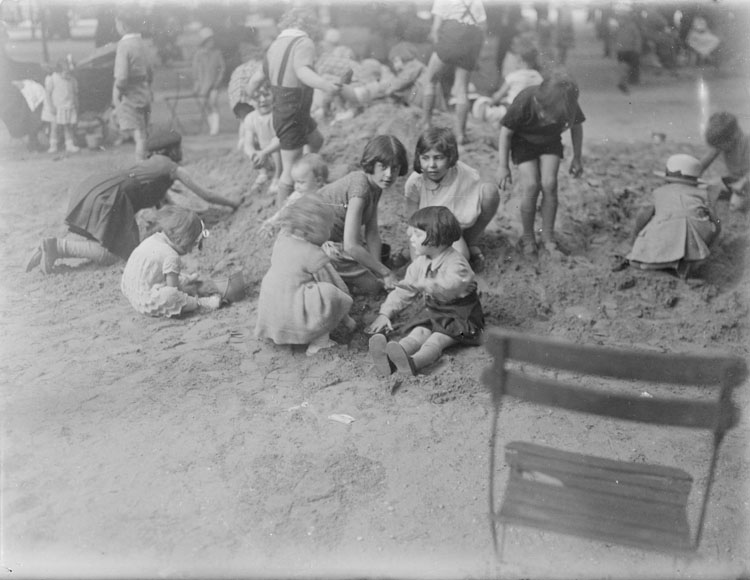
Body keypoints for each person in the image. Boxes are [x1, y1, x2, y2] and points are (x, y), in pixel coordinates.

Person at [25, 129, 239, 275]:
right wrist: (235, 204)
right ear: (172, 150)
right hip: (113, 198)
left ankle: (51, 248)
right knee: (118, 256)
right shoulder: (172, 168)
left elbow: (165, 207)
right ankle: (57, 247)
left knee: (109, 242)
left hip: (98, 186)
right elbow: (206, 195)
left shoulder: (150, 167)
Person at [366, 206, 484, 376]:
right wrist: (386, 313)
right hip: (434, 310)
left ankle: (414, 363)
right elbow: (403, 291)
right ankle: (390, 359)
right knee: (418, 333)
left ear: (438, 239)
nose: (411, 239)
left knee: (437, 340)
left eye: (418, 235)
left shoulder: (457, 262)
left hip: (460, 315)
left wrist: (426, 284)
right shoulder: (419, 264)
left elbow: (453, 285)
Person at [245, 6, 339, 209]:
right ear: (310, 26)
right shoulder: (304, 42)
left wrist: (251, 93)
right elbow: (302, 71)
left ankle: (308, 176)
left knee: (316, 140)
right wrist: (325, 85)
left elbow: (257, 78)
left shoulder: (275, 45)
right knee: (289, 168)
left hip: (289, 109)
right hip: (294, 109)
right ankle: (281, 213)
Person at [496, 71, 584, 259]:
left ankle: (548, 237)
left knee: (550, 183)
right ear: (539, 102)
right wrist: (503, 166)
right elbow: (505, 134)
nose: (551, 120)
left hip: (550, 141)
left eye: (557, 117)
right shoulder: (526, 99)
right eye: (547, 115)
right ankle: (528, 238)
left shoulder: (567, 100)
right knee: (531, 185)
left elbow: (577, 127)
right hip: (523, 142)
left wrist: (577, 157)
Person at [255, 194, 356, 356]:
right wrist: (346, 313)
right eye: (327, 228)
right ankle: (319, 343)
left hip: (271, 311)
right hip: (293, 315)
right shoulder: (313, 254)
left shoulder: (283, 238)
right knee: (328, 294)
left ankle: (278, 334)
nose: (330, 232)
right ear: (310, 231)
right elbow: (333, 282)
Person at [317, 134, 409, 295]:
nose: (389, 174)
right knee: (373, 288)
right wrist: (385, 273)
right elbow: (351, 245)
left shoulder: (375, 186)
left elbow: (372, 232)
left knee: (375, 269)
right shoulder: (360, 188)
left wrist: (379, 270)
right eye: (383, 166)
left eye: (394, 168)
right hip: (317, 246)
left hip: (335, 241)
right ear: (371, 164)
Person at [405, 127, 500, 272]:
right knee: (420, 268)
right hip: (424, 231)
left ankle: (470, 241)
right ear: (419, 158)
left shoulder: (465, 174)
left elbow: (466, 210)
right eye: (425, 158)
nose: (432, 165)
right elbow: (412, 220)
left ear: (450, 157)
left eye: (438, 157)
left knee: (460, 258)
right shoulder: (415, 182)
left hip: (449, 230)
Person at [626, 154, 721, 279]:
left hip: (667, 232)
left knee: (635, 259)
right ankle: (687, 262)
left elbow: (644, 213)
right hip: (696, 236)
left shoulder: (659, 192)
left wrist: (636, 234)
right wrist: (711, 240)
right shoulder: (703, 194)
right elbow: (716, 221)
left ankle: (657, 264)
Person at [121, 206, 222, 317]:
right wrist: (187, 293)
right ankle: (201, 303)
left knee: (167, 276)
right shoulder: (171, 256)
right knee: (171, 296)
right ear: (183, 241)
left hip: (131, 289)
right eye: (192, 245)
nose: (190, 250)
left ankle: (186, 279)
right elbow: (174, 290)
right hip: (145, 302)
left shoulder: (154, 238)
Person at [422, 0, 487, 144]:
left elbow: (436, 29)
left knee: (431, 80)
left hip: (451, 37)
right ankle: (460, 135)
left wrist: (439, 50)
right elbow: (483, 26)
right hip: (471, 41)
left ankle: (426, 123)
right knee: (462, 90)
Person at [113, 8, 153, 161]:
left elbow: (122, 76)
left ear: (123, 25)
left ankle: (141, 164)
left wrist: (119, 90)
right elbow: (150, 70)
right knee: (143, 130)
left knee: (139, 134)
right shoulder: (143, 43)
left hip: (129, 93)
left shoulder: (124, 46)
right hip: (144, 90)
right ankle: (146, 160)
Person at [259, 153, 329, 237]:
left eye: (301, 182)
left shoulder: (327, 192)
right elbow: (283, 211)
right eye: (295, 182)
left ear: (318, 181)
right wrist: (271, 222)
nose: (296, 186)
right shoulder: (297, 196)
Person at [472, 44, 542, 127]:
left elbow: (498, 96)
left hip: (510, 112)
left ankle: (483, 123)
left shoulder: (514, 76)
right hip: (529, 114)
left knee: (481, 102)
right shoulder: (539, 77)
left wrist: (490, 103)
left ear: (520, 61)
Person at [698, 111, 749, 212]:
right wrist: (691, 174)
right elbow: (702, 164)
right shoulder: (722, 145)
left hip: (746, 183)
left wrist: (743, 181)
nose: (718, 148)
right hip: (735, 182)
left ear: (733, 136)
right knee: (705, 189)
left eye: (719, 145)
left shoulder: (746, 143)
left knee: (737, 205)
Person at [238, 80, 282, 195]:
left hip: (279, 150)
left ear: (274, 96)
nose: (262, 100)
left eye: (266, 95)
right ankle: (263, 173)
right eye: (257, 97)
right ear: (250, 101)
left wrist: (265, 152)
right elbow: (248, 142)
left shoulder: (277, 114)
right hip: (264, 153)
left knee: (275, 148)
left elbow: (280, 140)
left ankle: (278, 176)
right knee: (247, 146)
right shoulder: (251, 117)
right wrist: (253, 154)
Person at [192, 27, 226, 136]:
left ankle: (215, 129)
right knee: (205, 105)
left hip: (214, 84)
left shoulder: (217, 53)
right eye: (209, 41)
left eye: (212, 40)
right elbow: (195, 70)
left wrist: (218, 80)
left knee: (213, 103)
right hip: (202, 84)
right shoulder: (199, 54)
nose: (212, 43)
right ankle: (211, 126)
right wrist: (196, 83)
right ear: (204, 42)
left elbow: (222, 68)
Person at [44, 55, 80, 153]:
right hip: (57, 108)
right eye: (65, 73)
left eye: (70, 73)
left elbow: (75, 94)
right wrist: (51, 106)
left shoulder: (72, 80)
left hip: (68, 107)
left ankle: (69, 145)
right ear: (58, 71)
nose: (68, 75)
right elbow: (48, 94)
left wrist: (76, 105)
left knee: (67, 127)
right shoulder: (53, 79)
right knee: (54, 127)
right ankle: (53, 146)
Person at [613, 5, 642, 94]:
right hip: (627, 50)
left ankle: (623, 81)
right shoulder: (628, 26)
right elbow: (637, 38)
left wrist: (637, 48)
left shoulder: (627, 26)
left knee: (625, 67)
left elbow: (637, 38)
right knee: (625, 66)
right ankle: (623, 82)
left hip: (626, 50)